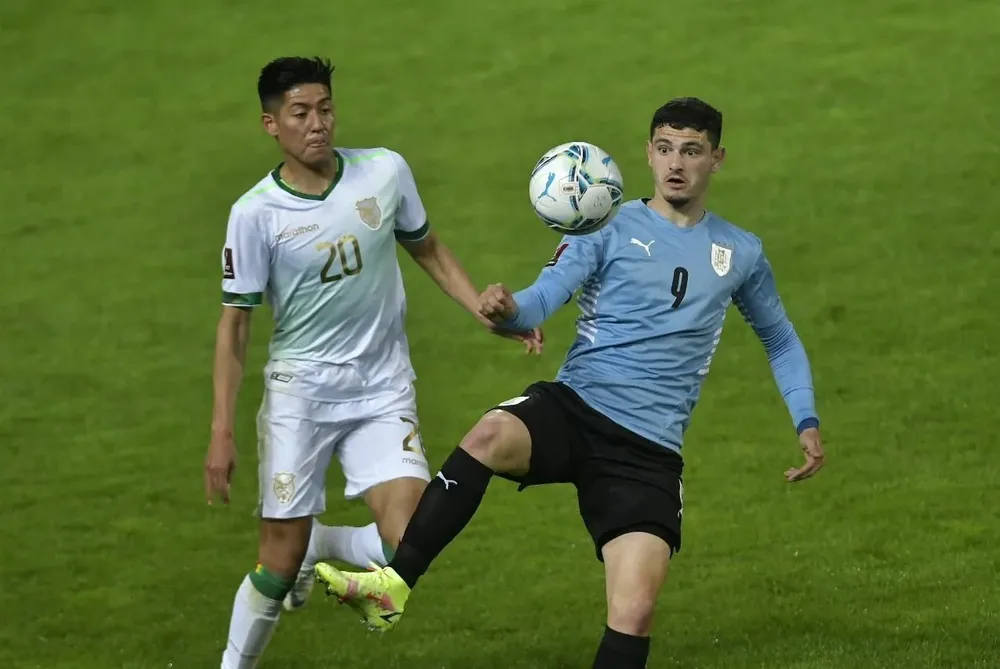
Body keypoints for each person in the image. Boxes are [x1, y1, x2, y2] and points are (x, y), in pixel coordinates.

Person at [316, 97, 826, 668]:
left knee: (632, 614)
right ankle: (393, 586)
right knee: (489, 435)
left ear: (717, 159)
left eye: (691, 151)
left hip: (648, 451)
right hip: (576, 410)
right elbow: (542, 299)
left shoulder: (742, 253)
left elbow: (779, 339)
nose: (675, 163)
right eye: (664, 149)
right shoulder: (604, 226)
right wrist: (507, 310)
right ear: (648, 155)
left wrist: (806, 421)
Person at [204, 56, 542, 669]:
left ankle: (316, 546)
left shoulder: (384, 172)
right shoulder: (255, 214)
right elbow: (236, 324)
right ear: (270, 125)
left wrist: (486, 315)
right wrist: (222, 429)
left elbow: (429, 250)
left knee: (410, 541)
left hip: (382, 386)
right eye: (300, 114)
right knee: (275, 568)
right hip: (301, 395)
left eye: (325, 109)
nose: (318, 124)